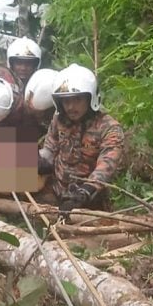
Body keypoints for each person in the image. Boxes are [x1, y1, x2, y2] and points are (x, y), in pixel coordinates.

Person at [38, 64, 124, 211]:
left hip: (89, 201)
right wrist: (38, 160)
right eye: (66, 101)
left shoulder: (109, 128)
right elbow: (49, 150)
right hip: (55, 191)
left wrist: (84, 192)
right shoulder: (59, 119)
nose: (70, 107)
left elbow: (106, 168)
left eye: (77, 99)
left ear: (90, 98)